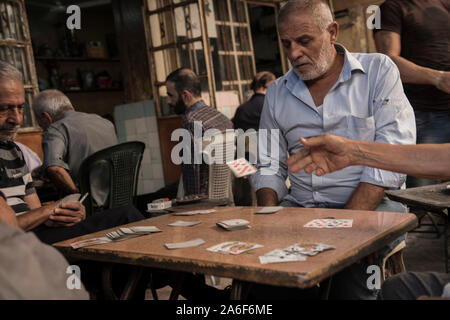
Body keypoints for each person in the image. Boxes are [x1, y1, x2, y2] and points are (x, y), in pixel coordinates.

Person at [250, 0, 416, 300]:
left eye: (304, 41)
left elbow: (392, 158)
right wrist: (268, 216)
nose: (293, 54)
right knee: (262, 275)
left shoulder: (378, 71)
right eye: (286, 44)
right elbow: (268, 164)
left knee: (350, 276)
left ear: (332, 32)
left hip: (374, 207)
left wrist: (346, 230)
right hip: (302, 208)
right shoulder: (277, 92)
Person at [286, 133, 450, 299]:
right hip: (305, 206)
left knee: (361, 263)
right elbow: (440, 158)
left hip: (378, 203)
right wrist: (352, 152)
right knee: (397, 288)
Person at [373, 0, 450, 188]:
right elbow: (388, 62)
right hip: (421, 114)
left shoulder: (444, 5)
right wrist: (438, 78)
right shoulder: (388, 9)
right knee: (424, 194)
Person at [137, 68, 233, 210]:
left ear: (186, 95)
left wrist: (185, 208)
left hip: (201, 201)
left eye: (170, 95)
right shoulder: (222, 119)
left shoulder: (191, 121)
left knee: (140, 202)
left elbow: (191, 176)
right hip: (222, 197)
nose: (168, 101)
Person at [32, 89, 118, 207]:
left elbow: (54, 169)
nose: (43, 128)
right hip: (117, 200)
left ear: (46, 117)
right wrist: (43, 169)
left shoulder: (55, 129)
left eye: (40, 124)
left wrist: (78, 195)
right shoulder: (104, 122)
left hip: (88, 207)